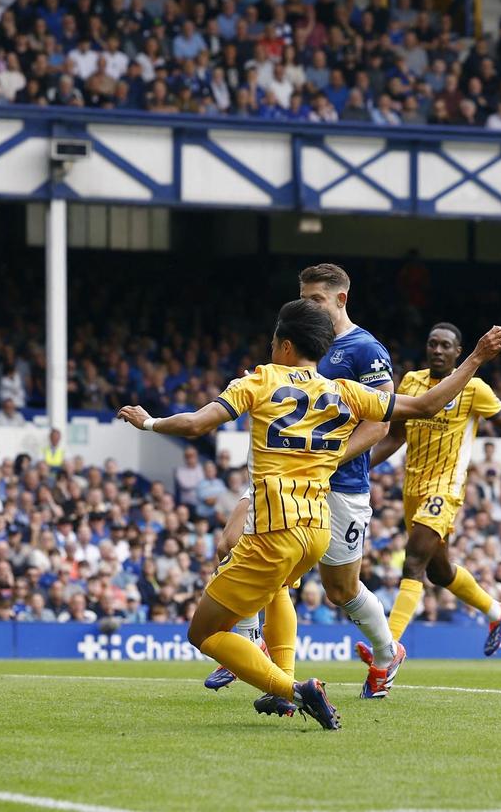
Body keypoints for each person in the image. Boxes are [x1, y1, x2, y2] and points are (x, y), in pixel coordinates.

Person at [118, 299, 501, 728]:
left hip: (274, 529)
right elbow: (423, 406)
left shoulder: (260, 380)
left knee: (204, 632)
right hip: (316, 530)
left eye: (273, 341)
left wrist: (149, 422)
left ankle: (289, 687)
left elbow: (197, 424)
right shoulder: (342, 391)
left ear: (285, 345)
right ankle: (277, 672)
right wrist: (476, 357)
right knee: (275, 588)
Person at [205, 263, 402, 700]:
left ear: (340, 300)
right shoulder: (299, 341)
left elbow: (380, 425)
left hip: (338, 483)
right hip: (283, 478)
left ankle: (387, 653)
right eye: (303, 297)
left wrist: (327, 459)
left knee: (340, 589)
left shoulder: (364, 349)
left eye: (315, 299)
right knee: (232, 543)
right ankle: (248, 645)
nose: (305, 305)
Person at [366, 322, 501, 691]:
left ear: (458, 353)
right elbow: (397, 435)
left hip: (446, 487)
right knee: (439, 571)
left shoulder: (473, 387)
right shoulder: (410, 382)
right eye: (432, 344)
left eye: (445, 346)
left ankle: (386, 652)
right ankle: (497, 611)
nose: (437, 350)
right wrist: (361, 461)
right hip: (413, 486)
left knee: (414, 561)